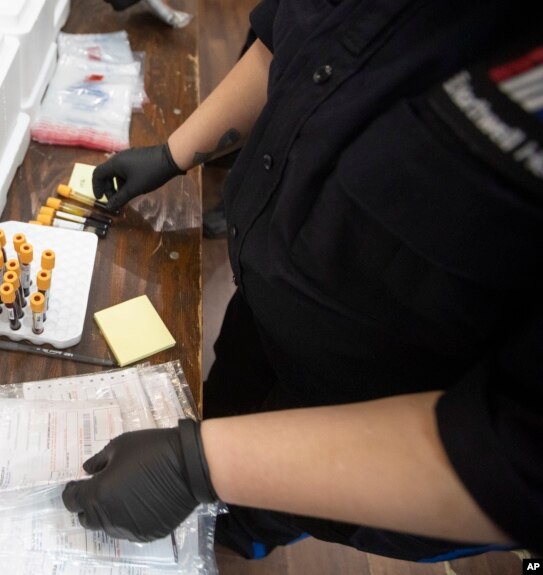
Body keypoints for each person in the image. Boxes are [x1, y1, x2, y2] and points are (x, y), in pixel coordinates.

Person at [63, 0, 542, 561]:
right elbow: (284, 45)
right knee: (226, 408)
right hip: (268, 302)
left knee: (255, 516)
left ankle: (239, 535)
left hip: (385, 429)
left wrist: (199, 467)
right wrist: (173, 154)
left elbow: (514, 456)